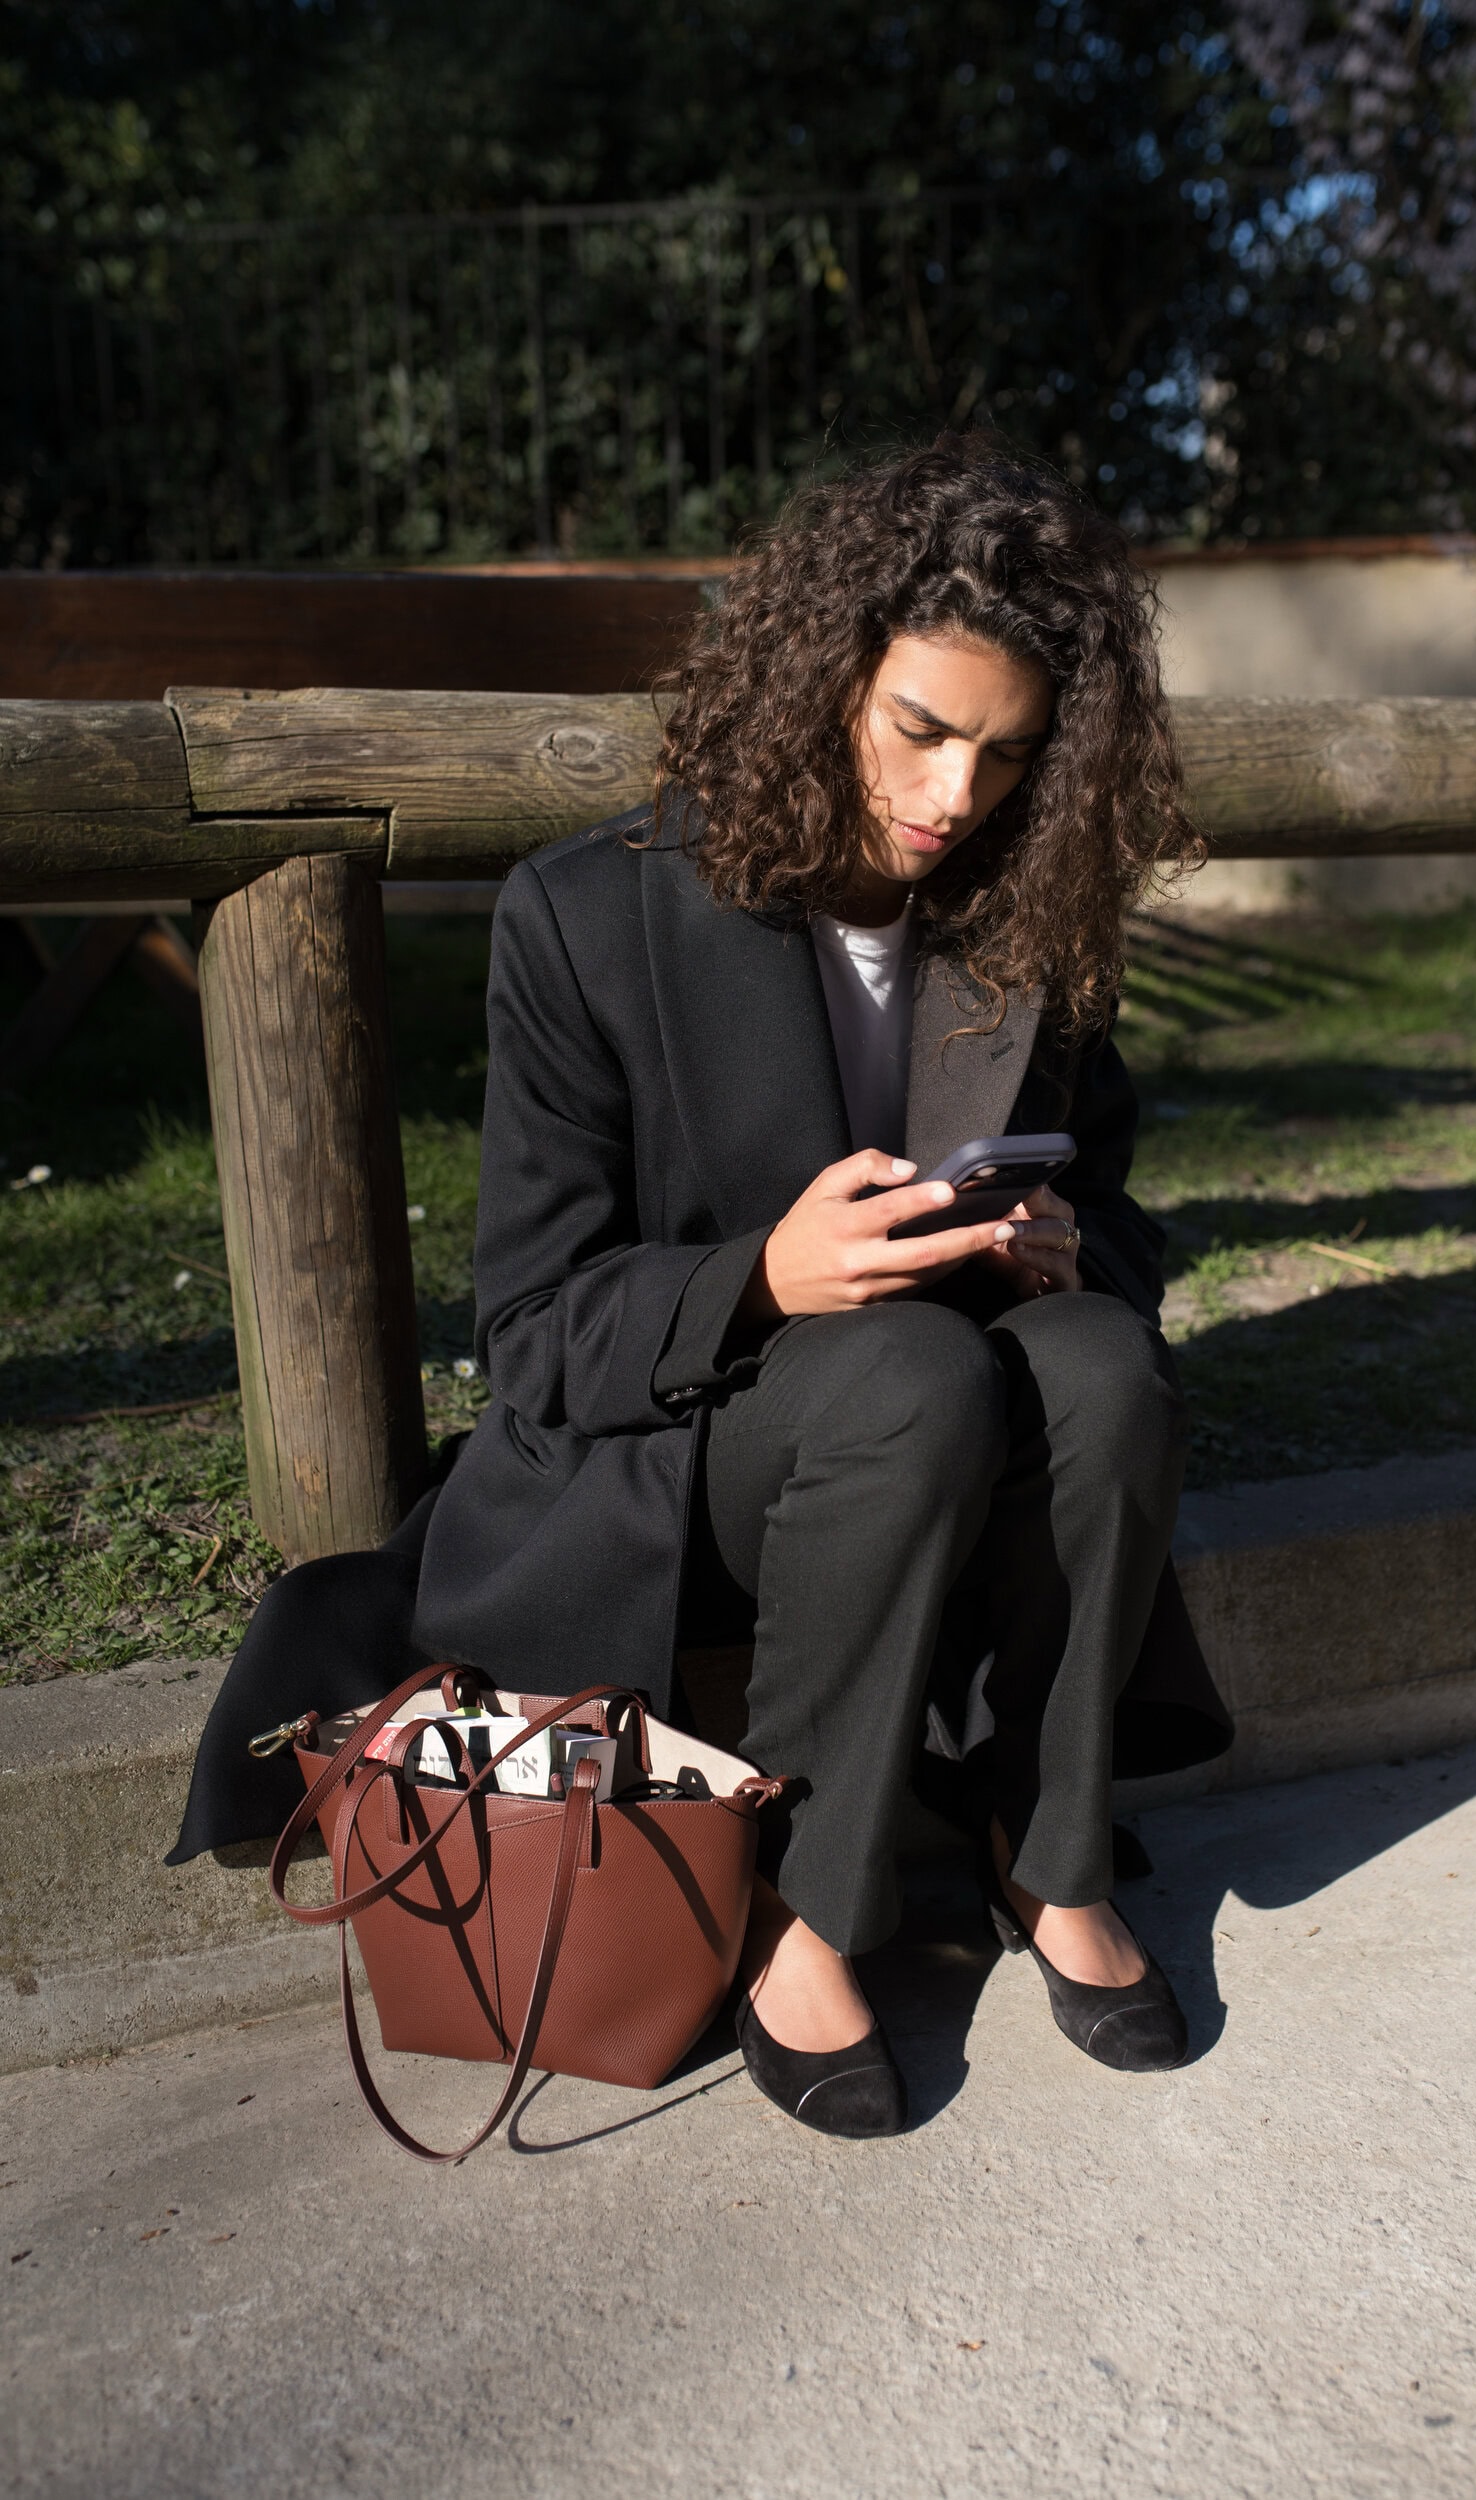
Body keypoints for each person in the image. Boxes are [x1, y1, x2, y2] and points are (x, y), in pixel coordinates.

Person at [167, 434, 1231, 2138]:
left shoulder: (1022, 908)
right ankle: (803, 1906)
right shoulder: (590, 915)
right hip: (690, 1457)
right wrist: (761, 1277)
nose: (956, 792)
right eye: (919, 729)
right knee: (907, 1378)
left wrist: (1061, 1241)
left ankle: (1048, 1851)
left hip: (945, 1439)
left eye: (1010, 752)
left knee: (1101, 1361)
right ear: (824, 683)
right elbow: (531, 1333)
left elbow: (1114, 1213)